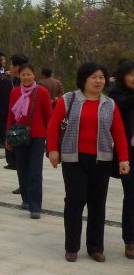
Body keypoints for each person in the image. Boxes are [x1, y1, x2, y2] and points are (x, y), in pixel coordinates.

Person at [47, 62, 130, 263]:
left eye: (101, 77)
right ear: (83, 79)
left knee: (97, 204)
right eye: (94, 77)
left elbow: (119, 132)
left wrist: (124, 159)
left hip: (102, 160)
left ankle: (95, 248)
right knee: (75, 201)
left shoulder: (109, 104)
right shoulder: (69, 99)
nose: (98, 81)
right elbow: (53, 125)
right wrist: (53, 150)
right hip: (73, 159)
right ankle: (72, 247)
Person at [5, 64, 53, 219]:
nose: (26, 77)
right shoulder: (14, 92)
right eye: (23, 75)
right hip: (19, 136)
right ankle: (25, 199)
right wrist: (8, 136)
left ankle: (35, 206)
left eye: (29, 74)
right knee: (22, 169)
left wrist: (51, 139)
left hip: (37, 136)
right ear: (19, 76)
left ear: (34, 75)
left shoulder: (42, 92)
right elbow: (11, 115)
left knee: (35, 171)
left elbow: (49, 116)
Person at [108, 59, 134, 260]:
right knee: (131, 197)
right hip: (128, 154)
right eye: (132, 75)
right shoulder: (116, 95)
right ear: (123, 76)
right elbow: (122, 105)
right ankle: (130, 241)